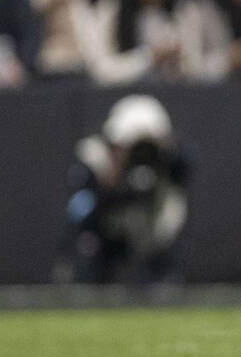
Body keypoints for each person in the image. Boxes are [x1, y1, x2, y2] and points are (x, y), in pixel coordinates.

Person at [56, 94, 189, 284]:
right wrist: (110, 182)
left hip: (153, 231)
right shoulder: (95, 158)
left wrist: (164, 151)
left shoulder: (167, 159)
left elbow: (186, 171)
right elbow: (79, 210)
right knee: (86, 253)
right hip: (109, 229)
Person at [77, 0, 229, 85]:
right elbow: (101, 70)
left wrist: (177, 60)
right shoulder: (109, 9)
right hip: (120, 95)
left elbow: (194, 68)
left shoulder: (184, 12)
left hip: (175, 93)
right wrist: (149, 57)